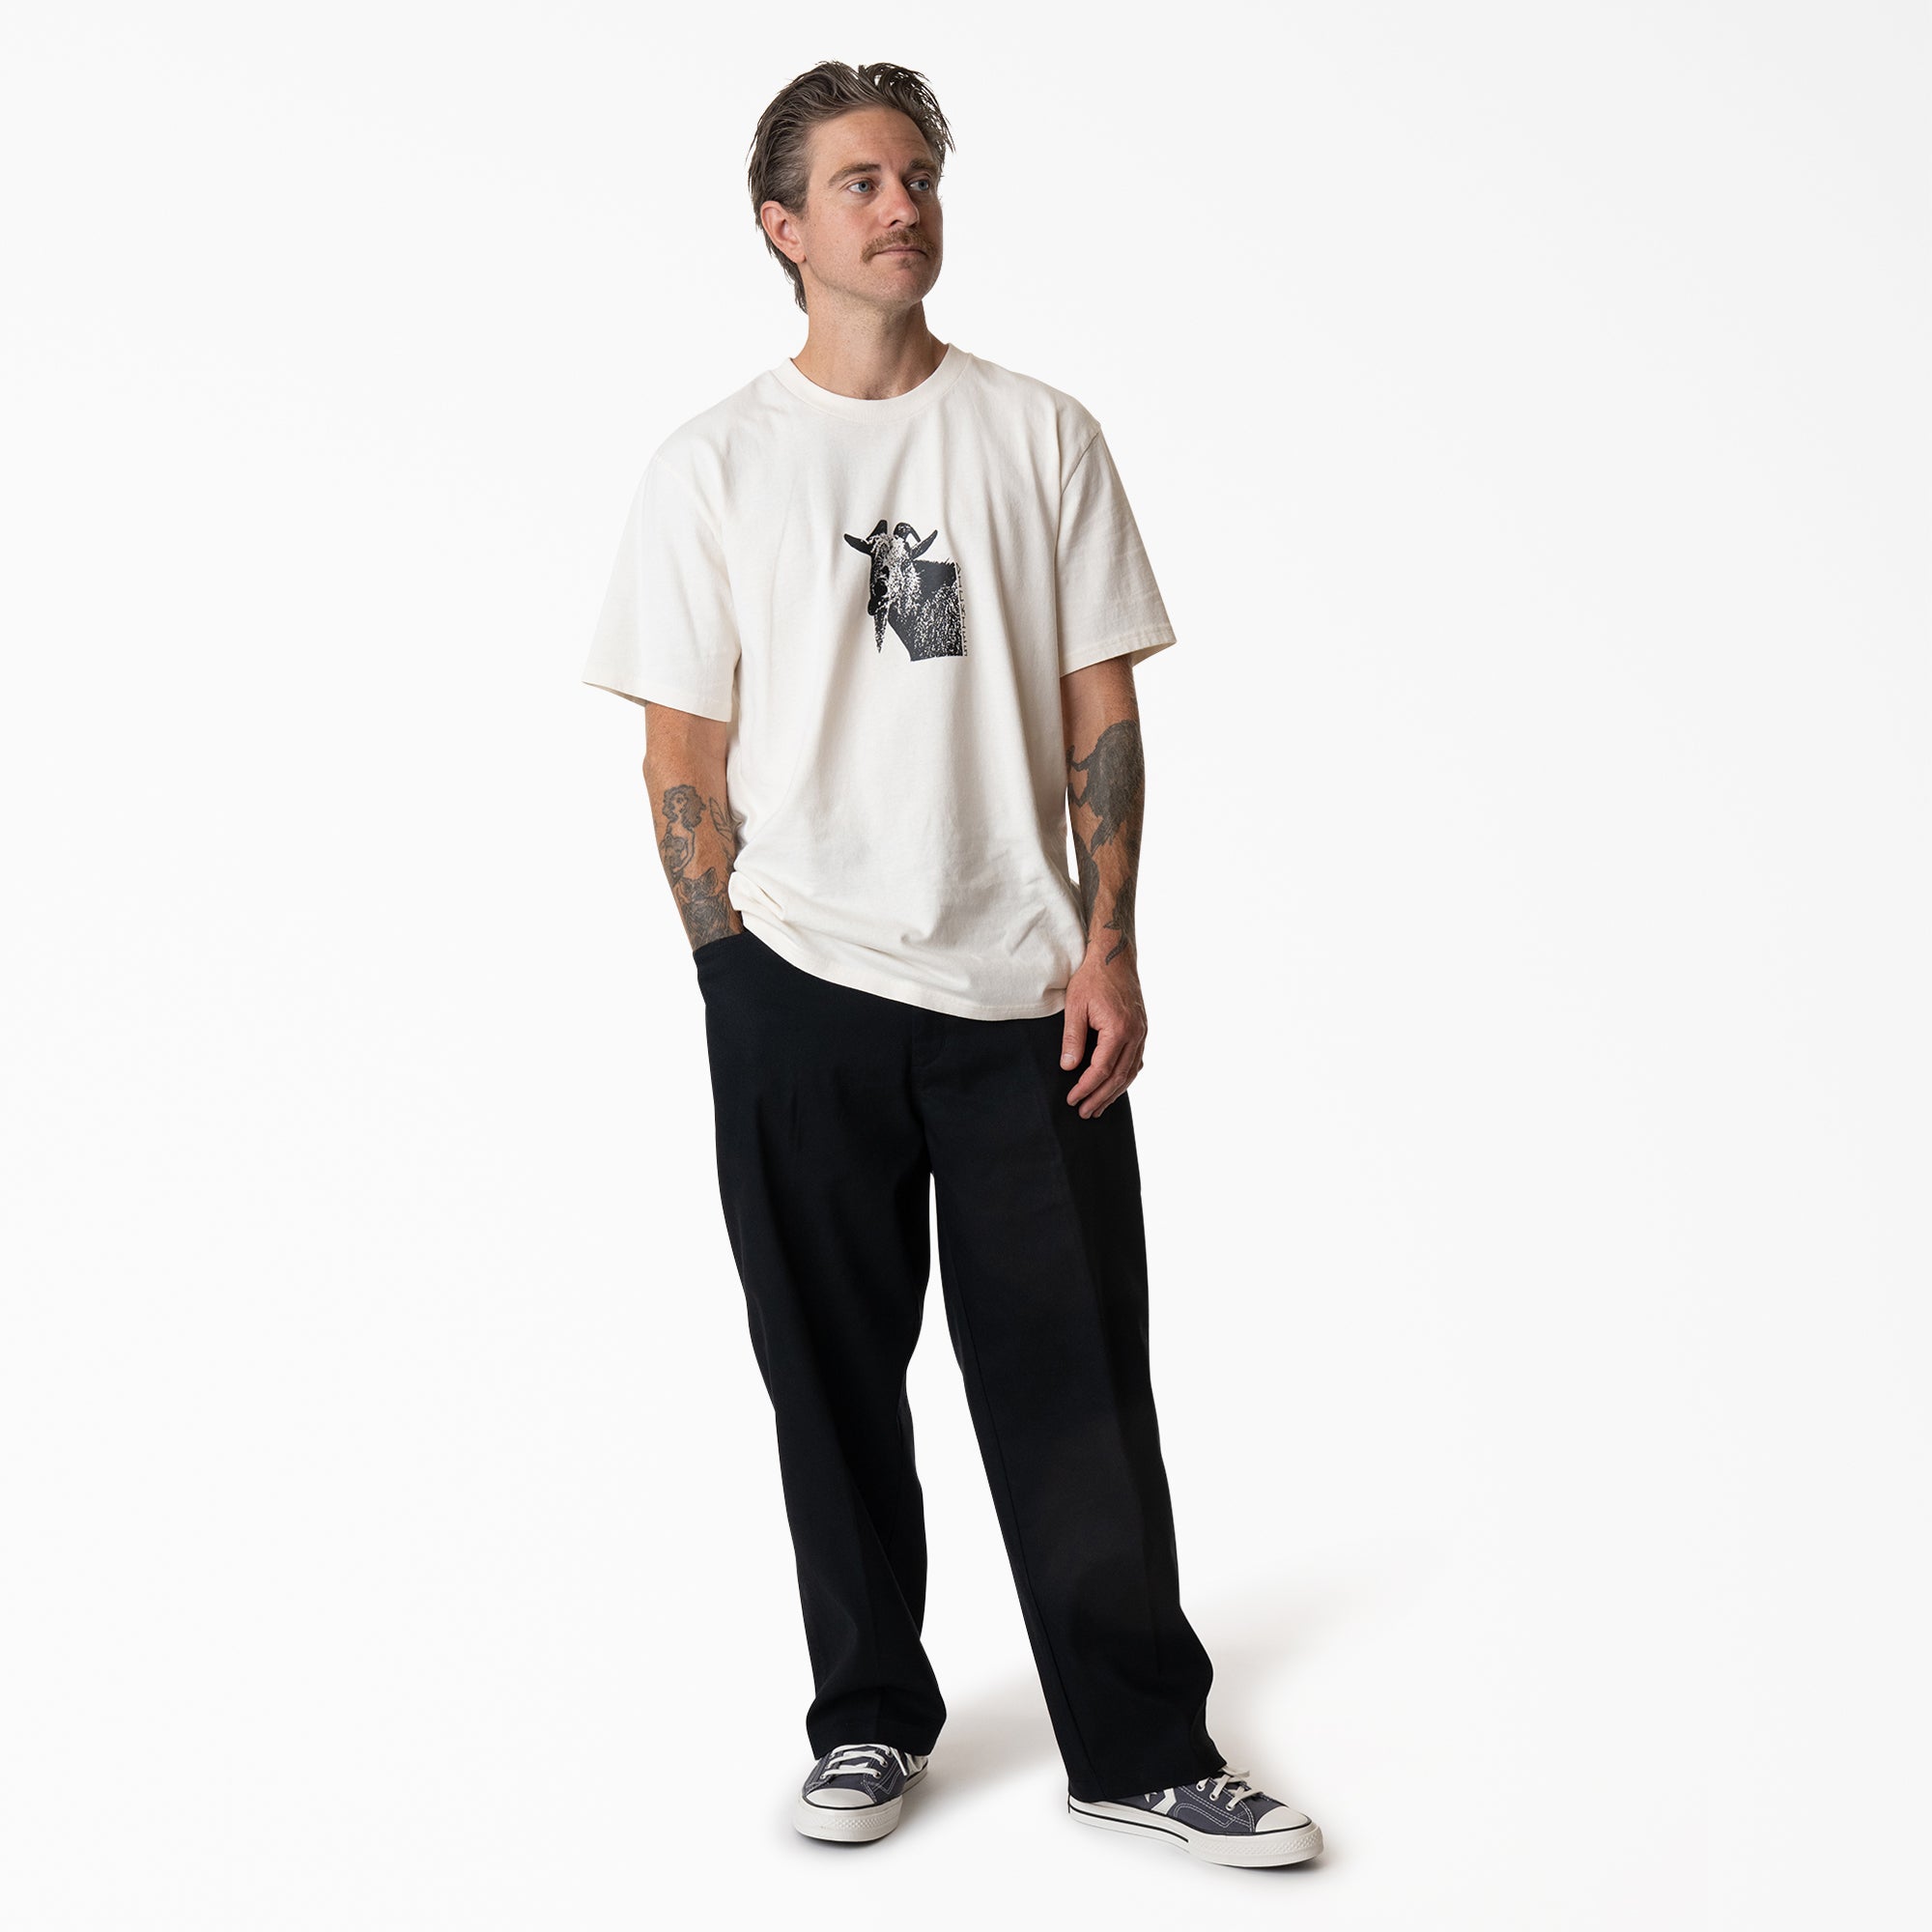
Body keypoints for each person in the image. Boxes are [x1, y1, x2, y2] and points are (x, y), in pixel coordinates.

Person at [582, 60, 1322, 1870]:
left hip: (1022, 991)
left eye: (916, 174)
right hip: (799, 987)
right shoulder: (714, 466)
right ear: (783, 226)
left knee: (1077, 1386)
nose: (900, 205)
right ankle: (867, 1719)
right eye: (858, 182)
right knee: (829, 1380)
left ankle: (1138, 1745)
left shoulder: (1038, 435)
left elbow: (1099, 710)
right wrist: (730, 973)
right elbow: (682, 749)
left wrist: (1110, 945)